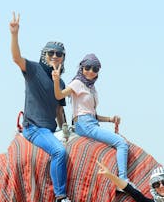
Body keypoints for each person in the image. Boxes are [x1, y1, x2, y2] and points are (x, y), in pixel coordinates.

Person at [9, 12, 79, 202]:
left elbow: (59, 109)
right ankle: (60, 199)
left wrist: (66, 128)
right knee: (59, 152)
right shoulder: (32, 69)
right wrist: (14, 34)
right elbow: (16, 57)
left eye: (59, 54)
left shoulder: (61, 83)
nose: (55, 57)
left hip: (51, 129)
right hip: (34, 128)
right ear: (44, 55)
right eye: (51, 53)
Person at [53, 54, 129, 185]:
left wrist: (110, 119)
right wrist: (56, 80)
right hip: (84, 124)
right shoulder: (77, 83)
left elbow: (91, 114)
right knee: (121, 143)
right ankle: (123, 180)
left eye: (95, 69)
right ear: (82, 67)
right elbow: (59, 95)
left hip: (91, 122)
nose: (91, 71)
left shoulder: (91, 88)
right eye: (87, 67)